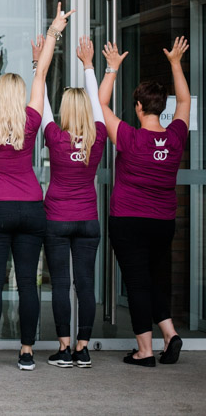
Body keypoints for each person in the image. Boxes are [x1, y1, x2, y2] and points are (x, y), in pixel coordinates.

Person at [0, 2, 72, 371]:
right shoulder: (31, 119)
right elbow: (43, 76)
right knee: (26, 283)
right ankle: (26, 353)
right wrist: (54, 31)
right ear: (18, 97)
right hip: (32, 208)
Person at [100, 37, 190, 367]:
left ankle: (145, 351)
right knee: (154, 279)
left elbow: (100, 106)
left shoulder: (130, 137)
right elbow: (183, 101)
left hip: (129, 221)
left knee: (137, 283)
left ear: (138, 107)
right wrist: (177, 64)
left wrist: (112, 69)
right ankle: (170, 335)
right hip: (162, 223)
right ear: (161, 108)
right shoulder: (176, 137)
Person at [40, 35, 106, 369]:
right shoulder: (98, 137)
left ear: (68, 111)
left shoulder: (55, 136)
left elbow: (44, 106)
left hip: (57, 218)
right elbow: (96, 105)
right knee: (85, 283)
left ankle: (64, 348)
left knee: (62, 284)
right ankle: (83, 347)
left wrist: (40, 66)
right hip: (88, 220)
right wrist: (88, 66)